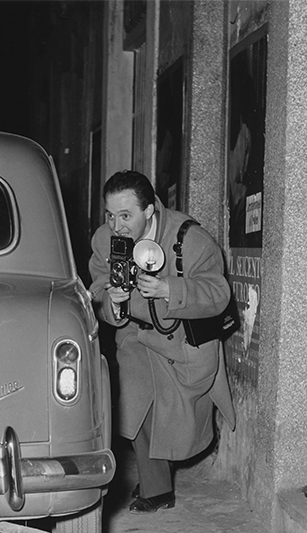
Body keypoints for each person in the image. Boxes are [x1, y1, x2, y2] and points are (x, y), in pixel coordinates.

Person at [89, 170, 235, 513]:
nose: (117, 226)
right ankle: (157, 490)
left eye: (126, 215)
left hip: (182, 347)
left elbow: (219, 293)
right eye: (110, 215)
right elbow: (95, 286)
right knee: (137, 407)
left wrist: (171, 288)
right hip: (137, 340)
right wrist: (113, 300)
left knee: (173, 426)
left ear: (150, 210)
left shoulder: (190, 239)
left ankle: (158, 479)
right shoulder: (103, 241)